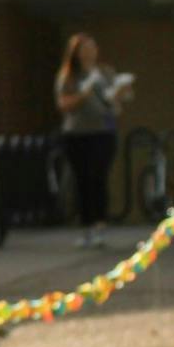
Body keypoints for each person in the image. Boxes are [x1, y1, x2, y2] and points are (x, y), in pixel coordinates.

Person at [54, 32, 130, 247]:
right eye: (84, 49)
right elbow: (63, 105)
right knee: (82, 180)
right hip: (77, 135)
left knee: (99, 177)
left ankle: (100, 225)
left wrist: (121, 92)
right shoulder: (68, 76)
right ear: (76, 53)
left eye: (92, 48)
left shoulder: (105, 73)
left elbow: (116, 100)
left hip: (103, 133)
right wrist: (83, 94)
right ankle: (87, 226)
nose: (89, 52)